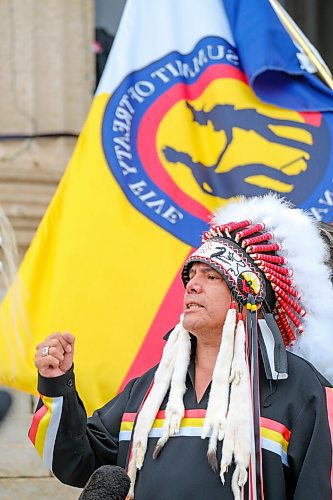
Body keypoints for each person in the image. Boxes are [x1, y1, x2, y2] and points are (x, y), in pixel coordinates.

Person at [29, 194, 333, 500]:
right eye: (191, 275)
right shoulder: (149, 390)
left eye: (211, 276)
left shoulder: (299, 389)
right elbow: (77, 462)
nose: (192, 285)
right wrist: (57, 385)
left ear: (248, 298)